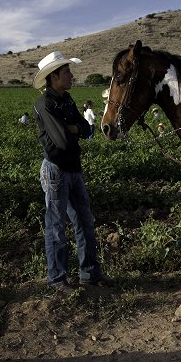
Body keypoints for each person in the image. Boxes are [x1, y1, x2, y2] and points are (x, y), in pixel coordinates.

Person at [33, 51, 111, 293]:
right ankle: (57, 279)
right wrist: (76, 130)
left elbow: (88, 130)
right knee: (56, 225)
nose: (71, 76)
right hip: (55, 172)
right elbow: (64, 141)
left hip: (74, 169)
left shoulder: (66, 100)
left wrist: (74, 128)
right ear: (53, 76)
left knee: (85, 222)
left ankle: (89, 273)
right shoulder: (44, 104)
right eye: (67, 72)